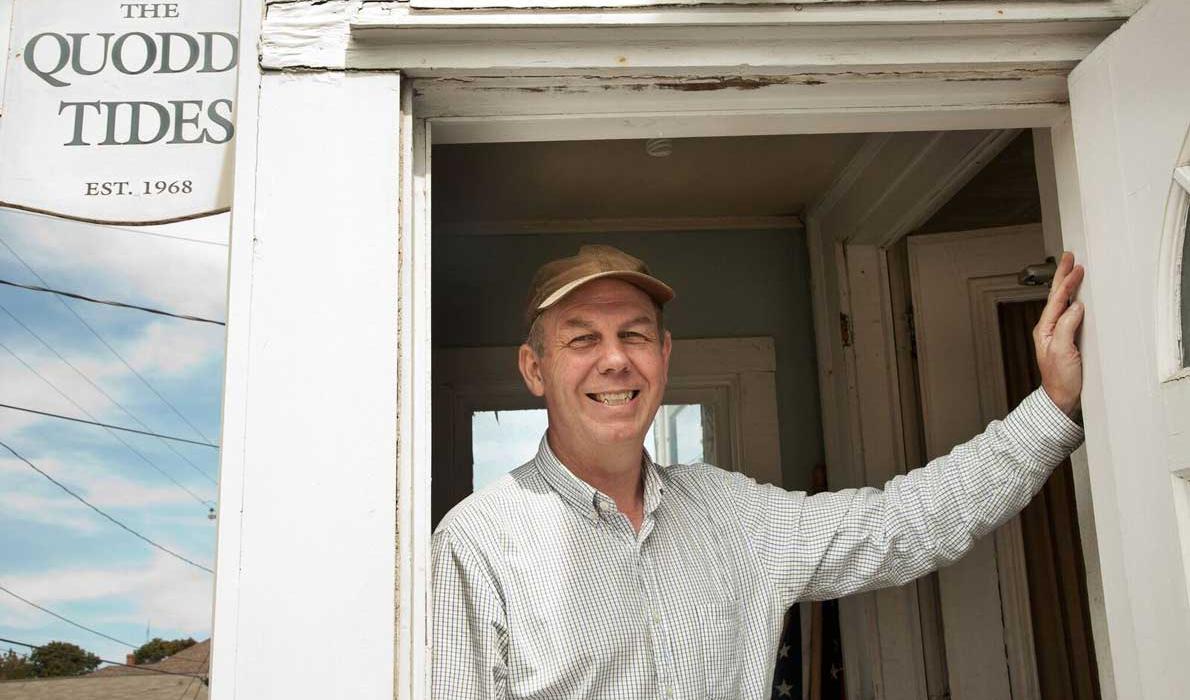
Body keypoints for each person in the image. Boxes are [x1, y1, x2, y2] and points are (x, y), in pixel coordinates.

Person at [432, 244, 1086, 699]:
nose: (614, 361)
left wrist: (1051, 407)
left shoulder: (731, 512)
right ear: (534, 368)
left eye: (634, 335)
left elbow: (899, 523)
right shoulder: (479, 541)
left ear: (663, 356)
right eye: (581, 340)